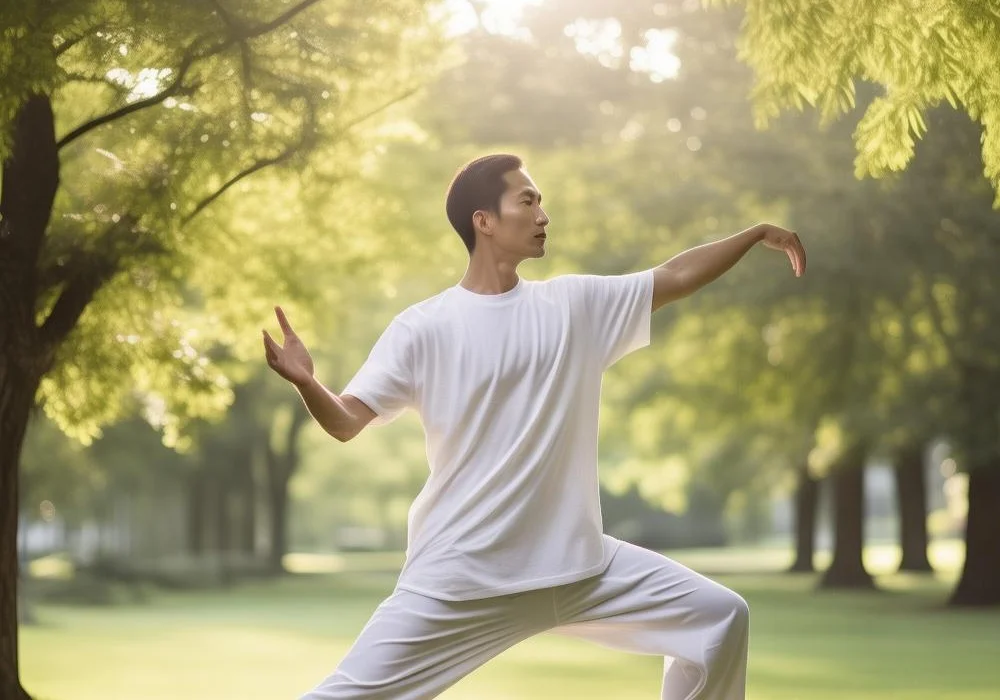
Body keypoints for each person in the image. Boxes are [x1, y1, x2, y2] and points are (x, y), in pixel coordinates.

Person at [263, 153, 806, 699]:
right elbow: (347, 421)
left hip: (579, 569)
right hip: (464, 577)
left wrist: (755, 234)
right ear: (484, 221)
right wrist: (307, 383)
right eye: (528, 200)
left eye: (541, 200)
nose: (543, 213)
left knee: (720, 618)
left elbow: (675, 276)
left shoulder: (574, 305)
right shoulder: (423, 328)